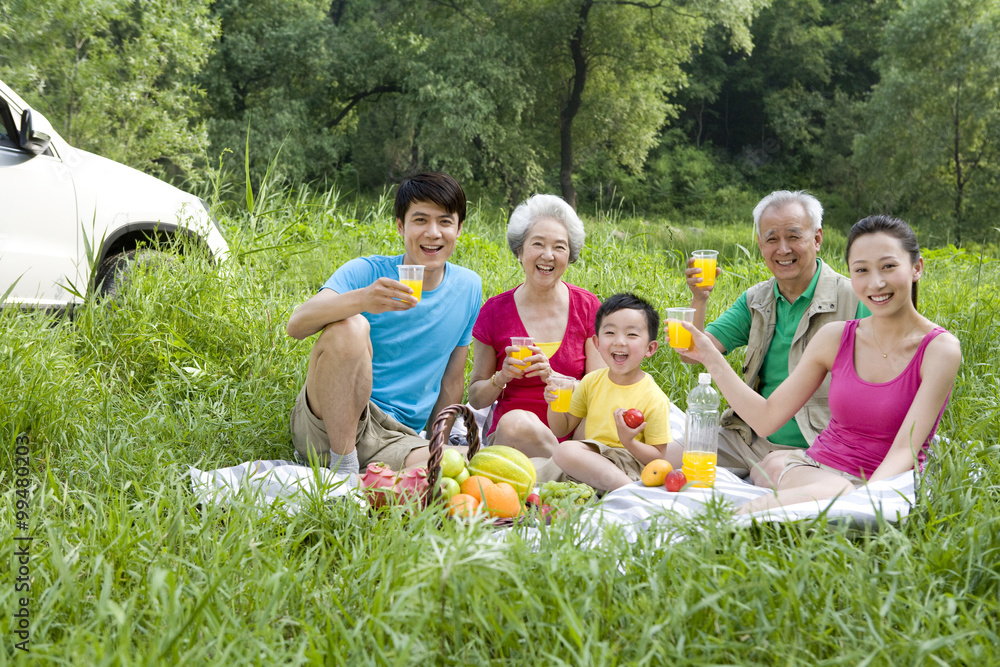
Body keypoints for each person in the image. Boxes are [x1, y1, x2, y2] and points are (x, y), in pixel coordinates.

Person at [675, 215, 961, 512]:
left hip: (880, 481)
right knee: (814, 480)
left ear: (916, 268)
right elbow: (766, 418)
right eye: (861, 270)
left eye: (889, 266)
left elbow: (907, 449)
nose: (876, 282)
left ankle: (736, 511)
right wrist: (710, 356)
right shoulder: (835, 337)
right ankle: (722, 521)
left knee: (834, 488)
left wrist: (866, 501)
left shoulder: (940, 349)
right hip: (814, 468)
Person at [286, 172, 482, 476]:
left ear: (458, 229)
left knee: (460, 465)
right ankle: (342, 468)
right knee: (352, 327)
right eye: (420, 220)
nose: (433, 233)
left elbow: (452, 381)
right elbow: (296, 325)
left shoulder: (468, 287)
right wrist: (363, 300)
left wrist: (433, 441)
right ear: (401, 226)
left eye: (444, 221)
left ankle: (364, 474)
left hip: (396, 435)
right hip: (332, 418)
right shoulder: (366, 272)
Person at [681, 190, 869, 484]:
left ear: (817, 239)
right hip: (747, 439)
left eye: (794, 236)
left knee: (768, 472)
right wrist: (699, 298)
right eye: (771, 239)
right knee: (664, 455)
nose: (783, 249)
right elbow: (691, 352)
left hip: (815, 446)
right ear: (760, 244)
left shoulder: (855, 300)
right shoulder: (756, 300)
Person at [467, 194, 604, 458]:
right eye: (537, 243)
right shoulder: (494, 312)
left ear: (570, 255)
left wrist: (554, 378)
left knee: (607, 415)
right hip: (515, 437)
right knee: (516, 423)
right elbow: (476, 398)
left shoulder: (588, 307)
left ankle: (566, 465)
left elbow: (599, 387)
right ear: (520, 251)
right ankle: (570, 468)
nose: (548, 255)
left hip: (573, 433)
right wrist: (501, 377)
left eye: (559, 247)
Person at [547, 293, 676, 491]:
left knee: (565, 451)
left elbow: (657, 458)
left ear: (650, 348)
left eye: (631, 334)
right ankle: (604, 490)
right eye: (610, 333)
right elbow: (561, 430)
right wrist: (554, 403)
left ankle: (630, 493)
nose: (620, 342)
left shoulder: (653, 397)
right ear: (597, 343)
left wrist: (628, 441)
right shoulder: (592, 382)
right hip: (593, 462)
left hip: (628, 465)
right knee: (544, 463)